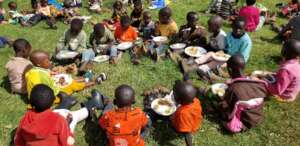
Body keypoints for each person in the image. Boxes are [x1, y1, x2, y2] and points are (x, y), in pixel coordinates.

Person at [14, 84, 106, 146]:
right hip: (61, 127)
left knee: (60, 113)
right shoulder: (58, 120)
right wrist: (67, 125)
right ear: (52, 103)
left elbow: (18, 141)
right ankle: (94, 104)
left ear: (31, 103)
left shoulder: (25, 119)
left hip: (51, 118)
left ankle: (67, 102)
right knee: (71, 116)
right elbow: (66, 142)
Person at [25, 50, 102, 108]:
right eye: (47, 61)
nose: (50, 62)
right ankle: (94, 82)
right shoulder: (41, 75)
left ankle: (85, 79)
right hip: (46, 99)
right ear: (39, 64)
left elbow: (45, 79)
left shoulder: (33, 71)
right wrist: (61, 82)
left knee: (65, 77)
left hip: (37, 96)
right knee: (72, 85)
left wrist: (54, 75)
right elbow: (53, 89)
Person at [215, 54, 268, 133]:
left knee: (218, 103)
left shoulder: (233, 89)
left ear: (229, 70)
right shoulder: (259, 83)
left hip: (244, 122)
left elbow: (227, 110)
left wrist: (220, 98)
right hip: (257, 117)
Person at [172, 81, 202, 146]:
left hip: (186, 127)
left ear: (179, 101)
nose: (172, 95)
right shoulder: (196, 101)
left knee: (169, 119)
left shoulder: (183, 113)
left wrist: (190, 145)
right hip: (194, 123)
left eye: (174, 95)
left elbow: (186, 133)